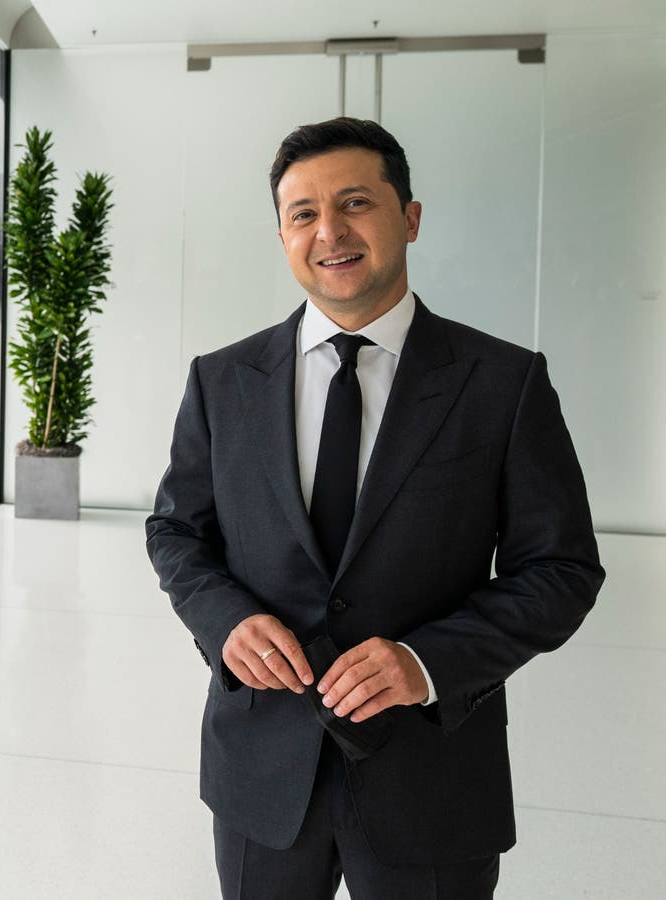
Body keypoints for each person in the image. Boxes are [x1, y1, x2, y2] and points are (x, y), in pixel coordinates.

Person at [145, 117, 604, 899]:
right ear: (284, 234)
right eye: (303, 214)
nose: (330, 232)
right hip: (261, 770)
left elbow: (560, 569)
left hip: (431, 773)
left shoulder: (503, 382)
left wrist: (427, 663)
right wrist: (225, 622)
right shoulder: (221, 380)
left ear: (410, 217)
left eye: (356, 203)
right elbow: (178, 533)